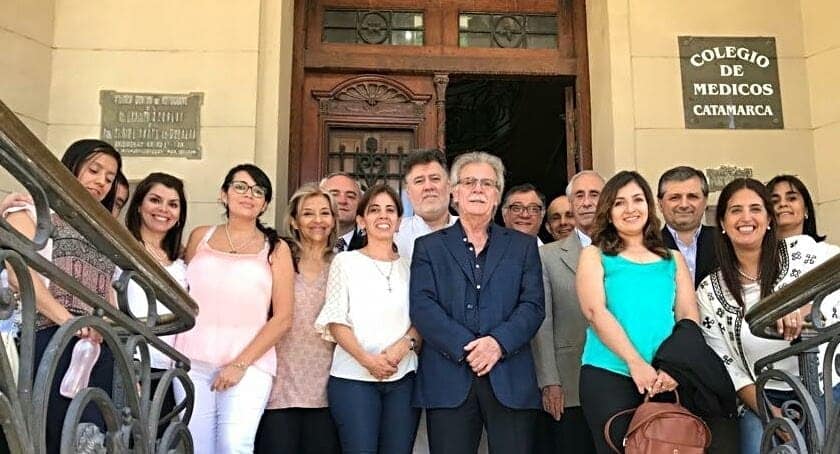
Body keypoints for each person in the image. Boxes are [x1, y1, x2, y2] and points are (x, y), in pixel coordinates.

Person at [410, 151, 545, 453]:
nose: (478, 189)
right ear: (454, 192)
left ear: (497, 195)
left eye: (487, 183)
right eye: (469, 182)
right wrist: (468, 348)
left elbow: (533, 305)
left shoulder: (523, 247)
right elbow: (423, 306)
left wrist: (497, 344)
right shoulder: (429, 247)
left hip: (510, 375)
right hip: (448, 378)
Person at [696, 178, 840, 454]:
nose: (746, 218)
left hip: (825, 386)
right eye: (736, 210)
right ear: (722, 223)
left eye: (755, 209)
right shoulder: (709, 291)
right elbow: (727, 363)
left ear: (769, 220)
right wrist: (769, 412)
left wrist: (805, 308)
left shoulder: (802, 252)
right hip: (764, 396)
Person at [4, 139, 122, 454]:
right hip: (46, 337)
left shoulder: (103, 233)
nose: (101, 182)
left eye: (109, 178)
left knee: (92, 441)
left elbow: (109, 295)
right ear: (70, 166)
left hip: (96, 346)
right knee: (51, 437)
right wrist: (69, 321)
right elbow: (21, 276)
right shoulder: (30, 210)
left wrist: (111, 336)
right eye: (94, 170)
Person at [173, 164, 294, 453]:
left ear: (265, 204)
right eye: (240, 187)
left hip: (250, 364)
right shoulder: (200, 237)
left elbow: (283, 317)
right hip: (192, 360)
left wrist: (240, 364)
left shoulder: (276, 248)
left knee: (234, 444)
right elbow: (183, 292)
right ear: (223, 195)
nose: (248, 194)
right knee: (196, 446)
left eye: (258, 191)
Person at [576, 171, 699, 454]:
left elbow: (688, 317)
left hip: (665, 377)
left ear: (649, 205)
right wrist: (635, 363)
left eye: (637, 200)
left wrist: (673, 368)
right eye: (619, 203)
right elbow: (595, 311)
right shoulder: (594, 254)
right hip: (609, 373)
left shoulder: (673, 259)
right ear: (608, 212)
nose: (630, 209)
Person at [315, 184, 421, 454]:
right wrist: (368, 360)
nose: (383, 215)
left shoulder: (412, 266)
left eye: (390, 210)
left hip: (403, 377)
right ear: (362, 221)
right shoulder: (345, 262)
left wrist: (403, 347)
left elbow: (422, 318)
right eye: (374, 210)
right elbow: (336, 318)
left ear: (399, 221)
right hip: (353, 379)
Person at [255, 183, 341, 454]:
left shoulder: (343, 263)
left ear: (333, 220)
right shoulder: (278, 259)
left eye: (325, 213)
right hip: (280, 385)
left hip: (327, 387)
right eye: (308, 213)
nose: (318, 220)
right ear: (294, 221)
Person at [531, 170, 605, 454]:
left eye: (594, 194)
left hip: (623, 378)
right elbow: (543, 323)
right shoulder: (547, 255)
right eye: (579, 196)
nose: (586, 202)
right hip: (570, 381)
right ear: (571, 203)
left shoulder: (627, 250)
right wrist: (549, 381)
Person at [121, 172, 188, 429]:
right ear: (139, 205)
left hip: (168, 369)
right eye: (155, 200)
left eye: (173, 204)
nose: (163, 210)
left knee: (161, 440)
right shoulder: (121, 248)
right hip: (131, 362)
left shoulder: (181, 260)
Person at [657, 166, 718, 288]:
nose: (684, 205)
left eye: (692, 196)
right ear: (660, 204)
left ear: (705, 202)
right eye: (675, 198)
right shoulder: (647, 245)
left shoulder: (725, 242)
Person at [394, 149, 457, 260]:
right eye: (419, 181)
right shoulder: (395, 235)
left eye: (435, 179)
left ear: (449, 186)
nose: (428, 187)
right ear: (408, 192)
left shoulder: (472, 231)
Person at [767, 174, 827, 242]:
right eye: (774, 201)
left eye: (792, 198)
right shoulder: (758, 249)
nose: (782, 204)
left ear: (806, 209)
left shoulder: (826, 249)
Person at [321, 172, 364, 252]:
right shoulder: (300, 243)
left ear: (360, 203)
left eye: (350, 196)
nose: (342, 201)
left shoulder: (372, 245)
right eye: (334, 194)